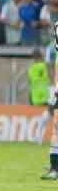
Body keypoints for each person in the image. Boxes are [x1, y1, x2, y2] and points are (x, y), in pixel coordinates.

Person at [39, 26, 58, 180]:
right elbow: (50, 66)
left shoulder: (52, 49)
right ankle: (54, 166)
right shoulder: (52, 49)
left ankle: (55, 168)